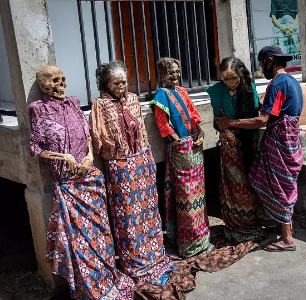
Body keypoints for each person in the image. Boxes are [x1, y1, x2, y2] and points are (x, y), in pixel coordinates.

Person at [29, 65, 134, 299]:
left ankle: (106, 278)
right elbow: (35, 148)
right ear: (43, 85)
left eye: (63, 79)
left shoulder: (74, 102)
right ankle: (88, 287)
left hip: (91, 181)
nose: (60, 85)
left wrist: (88, 156)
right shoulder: (37, 109)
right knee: (80, 242)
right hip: (67, 184)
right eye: (54, 81)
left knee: (100, 235)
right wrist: (64, 157)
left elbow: (87, 136)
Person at [90, 61, 174, 286]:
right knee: (127, 216)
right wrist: (115, 155)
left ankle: (155, 255)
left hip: (141, 162)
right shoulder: (99, 105)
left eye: (124, 81)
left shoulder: (134, 99)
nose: (121, 86)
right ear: (105, 84)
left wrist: (146, 158)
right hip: (119, 167)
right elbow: (99, 137)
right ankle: (135, 262)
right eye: (116, 82)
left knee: (148, 211)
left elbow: (143, 133)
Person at [216, 46, 303, 252]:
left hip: (280, 140)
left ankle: (287, 239)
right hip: (291, 139)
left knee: (277, 185)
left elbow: (263, 120)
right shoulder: (292, 81)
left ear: (270, 61)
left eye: (263, 63)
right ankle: (286, 228)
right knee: (285, 184)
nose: (261, 68)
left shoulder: (277, 83)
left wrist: (231, 123)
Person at [151, 57, 213, 258]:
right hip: (181, 152)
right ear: (162, 75)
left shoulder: (182, 92)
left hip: (194, 149)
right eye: (171, 72)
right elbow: (164, 126)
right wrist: (180, 143)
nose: (176, 76)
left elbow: (194, 115)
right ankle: (189, 244)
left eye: (177, 71)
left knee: (198, 195)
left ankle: (202, 240)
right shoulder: (161, 94)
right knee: (186, 197)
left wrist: (200, 132)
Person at [205, 57, 264, 243]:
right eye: (226, 79)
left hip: (250, 142)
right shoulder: (215, 91)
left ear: (241, 75)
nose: (230, 83)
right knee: (233, 187)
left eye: (234, 78)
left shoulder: (249, 88)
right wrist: (225, 131)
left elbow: (255, 118)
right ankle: (236, 225)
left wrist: (233, 126)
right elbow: (216, 119)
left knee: (249, 184)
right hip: (229, 145)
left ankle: (251, 225)